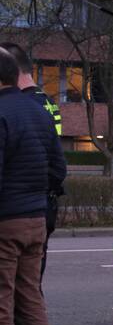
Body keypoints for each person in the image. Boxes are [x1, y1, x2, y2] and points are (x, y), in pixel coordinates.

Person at [0, 47, 66, 325]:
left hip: (5, 221)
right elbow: (58, 170)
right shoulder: (40, 112)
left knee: (2, 304)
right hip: (35, 219)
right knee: (31, 300)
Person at [0, 42, 62, 264]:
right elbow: (57, 166)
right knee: (31, 286)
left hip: (13, 211)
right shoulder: (46, 104)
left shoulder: (13, 107)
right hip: (39, 208)